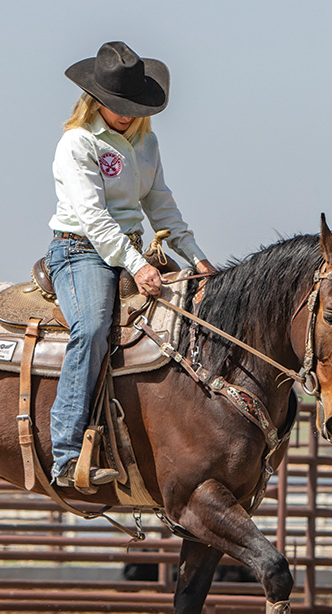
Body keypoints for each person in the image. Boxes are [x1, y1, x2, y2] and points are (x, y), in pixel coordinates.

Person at [47, 41, 215, 491]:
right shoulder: (77, 143)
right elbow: (93, 217)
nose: (125, 113)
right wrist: (137, 264)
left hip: (131, 250)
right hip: (80, 250)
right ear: (94, 99)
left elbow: (160, 205)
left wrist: (195, 255)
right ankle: (65, 452)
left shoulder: (145, 142)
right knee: (93, 327)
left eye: (132, 105)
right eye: (116, 105)